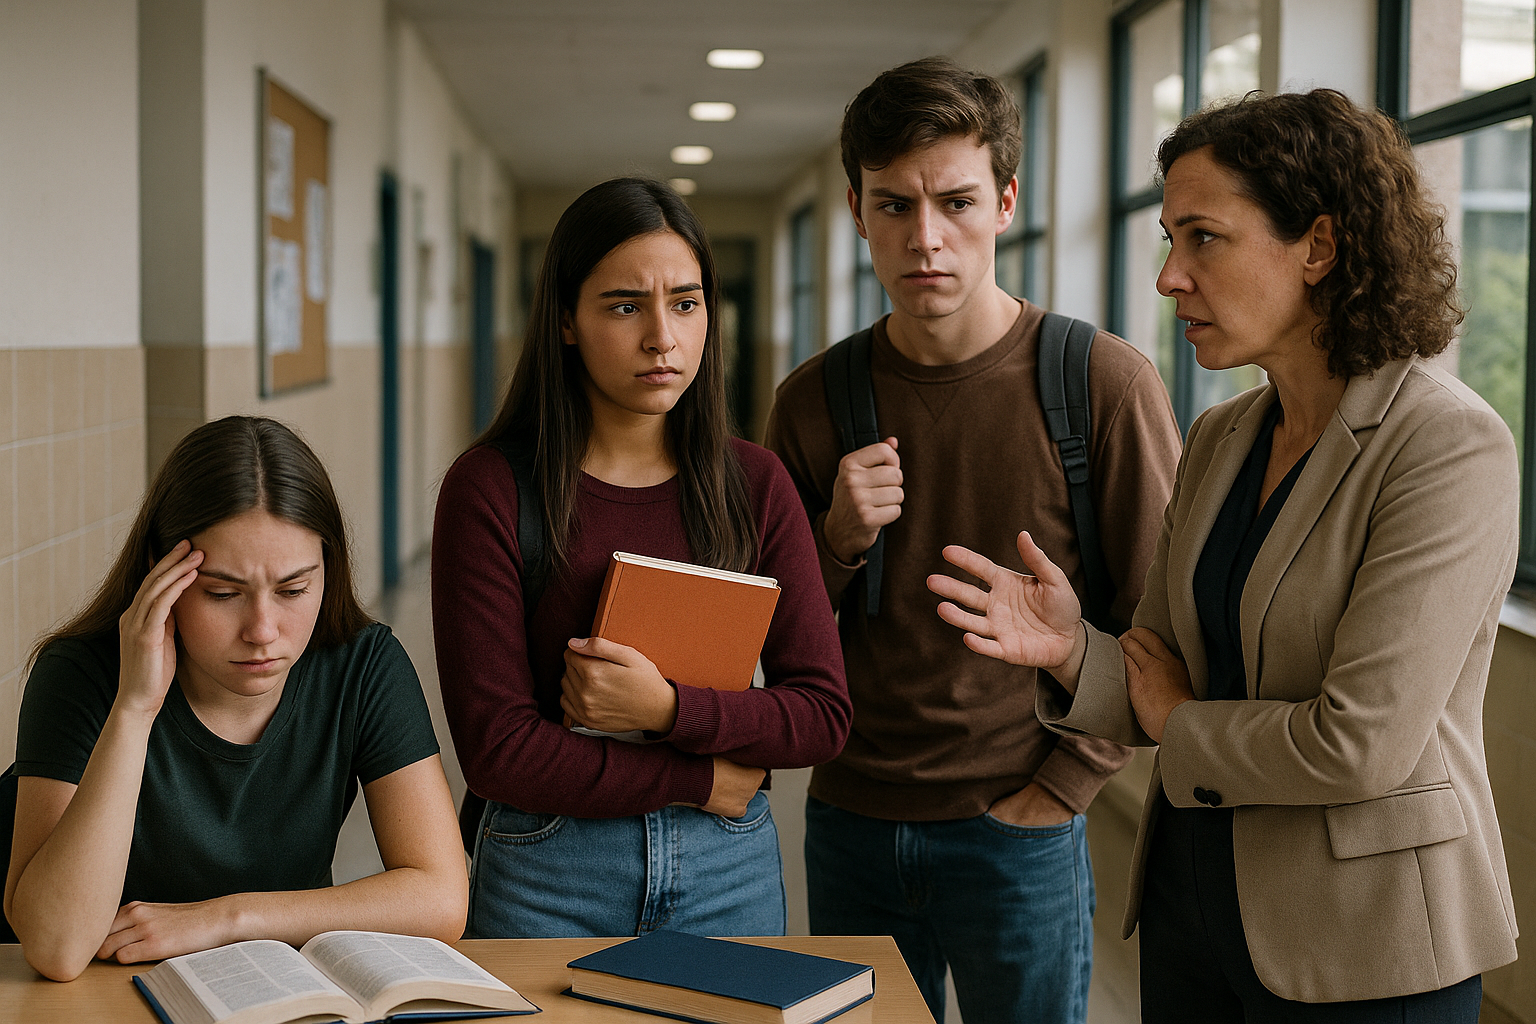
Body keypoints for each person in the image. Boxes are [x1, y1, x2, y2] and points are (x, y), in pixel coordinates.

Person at [928, 88, 1519, 1022]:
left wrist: (1178, 718)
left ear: (1318, 247)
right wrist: (1072, 648)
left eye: (1203, 237)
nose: (1171, 276)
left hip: (1365, 940)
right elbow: (1158, 668)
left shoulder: (1446, 446)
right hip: (1194, 908)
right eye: (1170, 238)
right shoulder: (1222, 434)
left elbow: (1358, 747)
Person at [764, 57, 1182, 1024]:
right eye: (893, 206)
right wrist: (834, 538)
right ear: (858, 212)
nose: (926, 239)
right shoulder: (815, 402)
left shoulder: (1102, 384)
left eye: (954, 202)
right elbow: (771, 640)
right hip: (851, 820)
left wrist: (1063, 791)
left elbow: (1159, 627)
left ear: (1005, 202)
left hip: (1021, 828)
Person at [432, 177, 850, 940]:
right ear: (565, 319)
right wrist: (696, 775)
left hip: (728, 868)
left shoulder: (755, 483)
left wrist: (666, 709)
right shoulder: (491, 488)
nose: (663, 336)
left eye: (686, 303)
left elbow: (822, 715)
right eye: (626, 306)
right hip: (547, 869)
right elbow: (497, 751)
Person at [5, 416, 467, 983]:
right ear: (161, 574)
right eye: (223, 593)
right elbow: (55, 948)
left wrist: (229, 918)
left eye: (294, 589)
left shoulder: (360, 664)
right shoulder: (80, 674)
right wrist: (134, 707)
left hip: (259, 983)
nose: (263, 630)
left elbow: (441, 897)